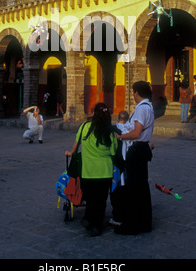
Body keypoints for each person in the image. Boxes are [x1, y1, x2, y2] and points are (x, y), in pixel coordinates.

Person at [65, 102, 118, 237]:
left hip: (87, 172)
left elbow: (76, 146)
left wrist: (70, 153)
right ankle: (96, 226)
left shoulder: (84, 127)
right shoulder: (110, 133)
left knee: (90, 198)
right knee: (100, 201)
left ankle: (88, 218)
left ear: (94, 113)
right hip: (104, 172)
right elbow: (113, 152)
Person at [114, 81, 154, 235]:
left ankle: (132, 224)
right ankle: (144, 222)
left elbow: (137, 133)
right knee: (142, 187)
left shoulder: (141, 109)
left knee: (133, 188)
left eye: (133, 92)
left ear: (136, 92)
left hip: (136, 150)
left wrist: (121, 136)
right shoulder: (148, 107)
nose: (133, 95)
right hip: (142, 149)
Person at [110, 110, 134, 226]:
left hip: (117, 162)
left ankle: (118, 214)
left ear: (118, 118)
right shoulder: (132, 130)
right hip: (129, 162)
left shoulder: (115, 130)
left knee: (117, 188)